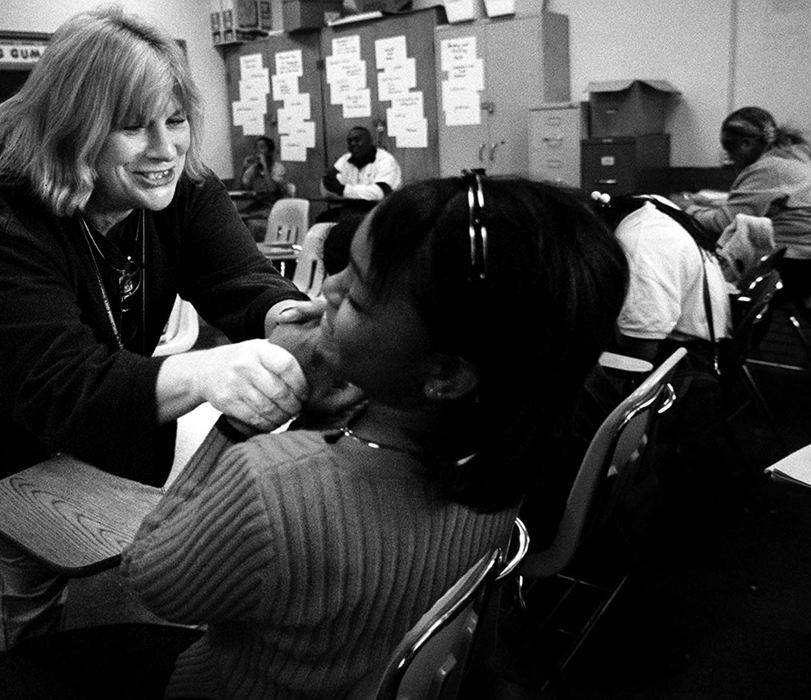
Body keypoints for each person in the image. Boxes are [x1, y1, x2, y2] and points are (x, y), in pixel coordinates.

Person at [0, 6, 319, 652]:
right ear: (72, 130)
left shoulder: (180, 184)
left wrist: (280, 313)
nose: (165, 149)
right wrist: (209, 372)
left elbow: (238, 280)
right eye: (132, 127)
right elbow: (59, 386)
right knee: (19, 577)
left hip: (28, 369)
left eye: (176, 119)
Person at [119, 174, 629, 698]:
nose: (328, 288)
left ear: (446, 374)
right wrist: (326, 404)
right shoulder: (500, 455)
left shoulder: (268, 481)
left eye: (357, 298)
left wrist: (243, 418)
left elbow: (154, 581)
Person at [671, 106, 811, 303]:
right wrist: (708, 203)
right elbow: (763, 204)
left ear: (745, 144)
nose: (732, 162)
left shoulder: (768, 169)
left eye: (731, 154)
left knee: (691, 268)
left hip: (789, 271)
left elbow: (723, 223)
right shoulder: (792, 156)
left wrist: (686, 207)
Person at [599, 194, 732, 365]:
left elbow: (639, 353)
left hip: (682, 360)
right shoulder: (650, 208)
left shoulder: (640, 245)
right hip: (701, 339)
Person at [317, 126, 402, 222]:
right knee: (323, 220)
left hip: (381, 212)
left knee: (347, 226)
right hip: (353, 209)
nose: (353, 144)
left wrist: (342, 190)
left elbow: (378, 193)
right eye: (350, 141)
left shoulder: (385, 161)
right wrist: (329, 182)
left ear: (370, 142)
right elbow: (328, 191)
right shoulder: (345, 160)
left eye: (357, 140)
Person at [236, 135, 289, 240]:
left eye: (262, 148)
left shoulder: (278, 168)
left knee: (252, 224)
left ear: (270, 152)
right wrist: (243, 168)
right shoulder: (253, 169)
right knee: (234, 220)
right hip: (257, 207)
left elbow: (272, 189)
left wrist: (264, 165)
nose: (258, 151)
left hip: (273, 208)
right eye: (256, 148)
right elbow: (238, 188)